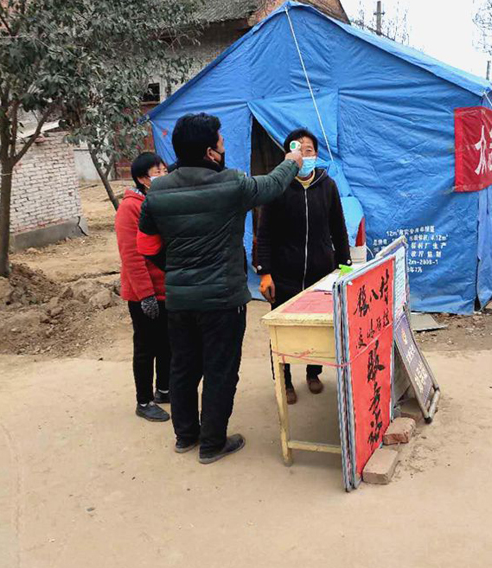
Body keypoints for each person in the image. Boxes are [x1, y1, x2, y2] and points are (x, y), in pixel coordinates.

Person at [137, 113, 303, 464]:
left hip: (179, 300)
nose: (225, 147)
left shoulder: (157, 192)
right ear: (210, 153)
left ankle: (186, 436)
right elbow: (272, 185)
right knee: (220, 370)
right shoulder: (232, 185)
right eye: (222, 142)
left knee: (183, 368)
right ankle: (212, 443)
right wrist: (292, 161)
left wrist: (178, 271)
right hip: (223, 300)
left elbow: (147, 247)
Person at [254, 129, 351, 404]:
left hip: (321, 274)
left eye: (309, 150)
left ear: (316, 155)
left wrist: (344, 268)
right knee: (282, 333)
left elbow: (339, 229)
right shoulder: (277, 186)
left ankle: (313, 372)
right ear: (289, 155)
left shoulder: (328, 185)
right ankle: (284, 380)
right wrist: (265, 272)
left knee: (317, 329)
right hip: (284, 275)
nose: (304, 155)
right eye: (298, 150)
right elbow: (265, 232)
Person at [115, 152, 171, 423]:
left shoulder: (159, 201)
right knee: (146, 347)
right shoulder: (130, 208)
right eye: (156, 172)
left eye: (164, 170)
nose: (163, 175)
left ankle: (164, 389)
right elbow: (132, 255)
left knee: (167, 343)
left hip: (165, 288)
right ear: (141, 178)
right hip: (143, 292)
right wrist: (146, 295)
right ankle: (144, 401)